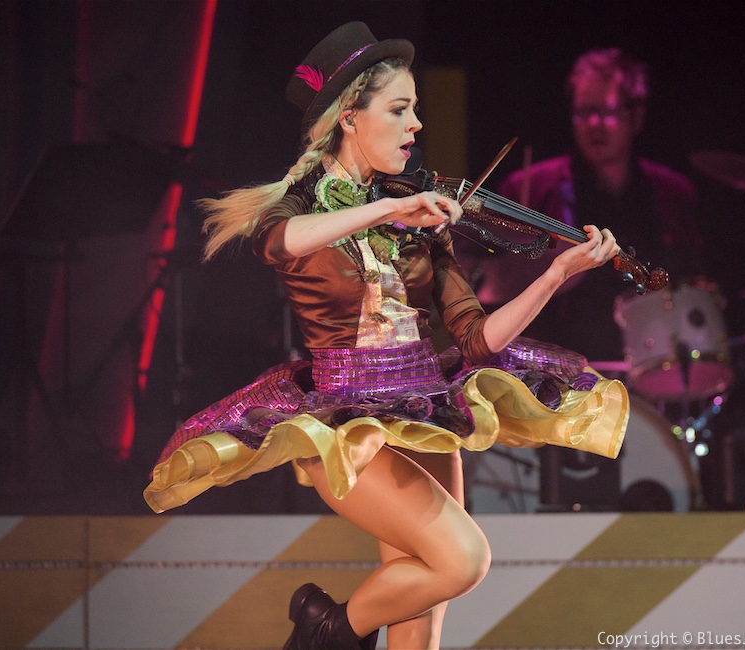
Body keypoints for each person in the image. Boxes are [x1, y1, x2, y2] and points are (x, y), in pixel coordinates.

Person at [142, 23, 630, 650]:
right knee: (463, 561)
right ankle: (329, 629)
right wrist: (387, 210)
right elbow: (279, 244)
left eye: (416, 111)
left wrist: (557, 273)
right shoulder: (306, 204)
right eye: (400, 110)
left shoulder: (420, 217)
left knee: (421, 623)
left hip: (426, 408)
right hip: (342, 420)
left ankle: (330, 630)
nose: (416, 126)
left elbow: (478, 340)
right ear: (350, 118)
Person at [471, 48, 705, 363]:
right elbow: (498, 278)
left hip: (652, 361)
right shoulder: (529, 186)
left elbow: (692, 279)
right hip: (555, 363)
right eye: (583, 112)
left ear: (635, 117)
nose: (594, 124)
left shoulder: (673, 192)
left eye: (606, 112)